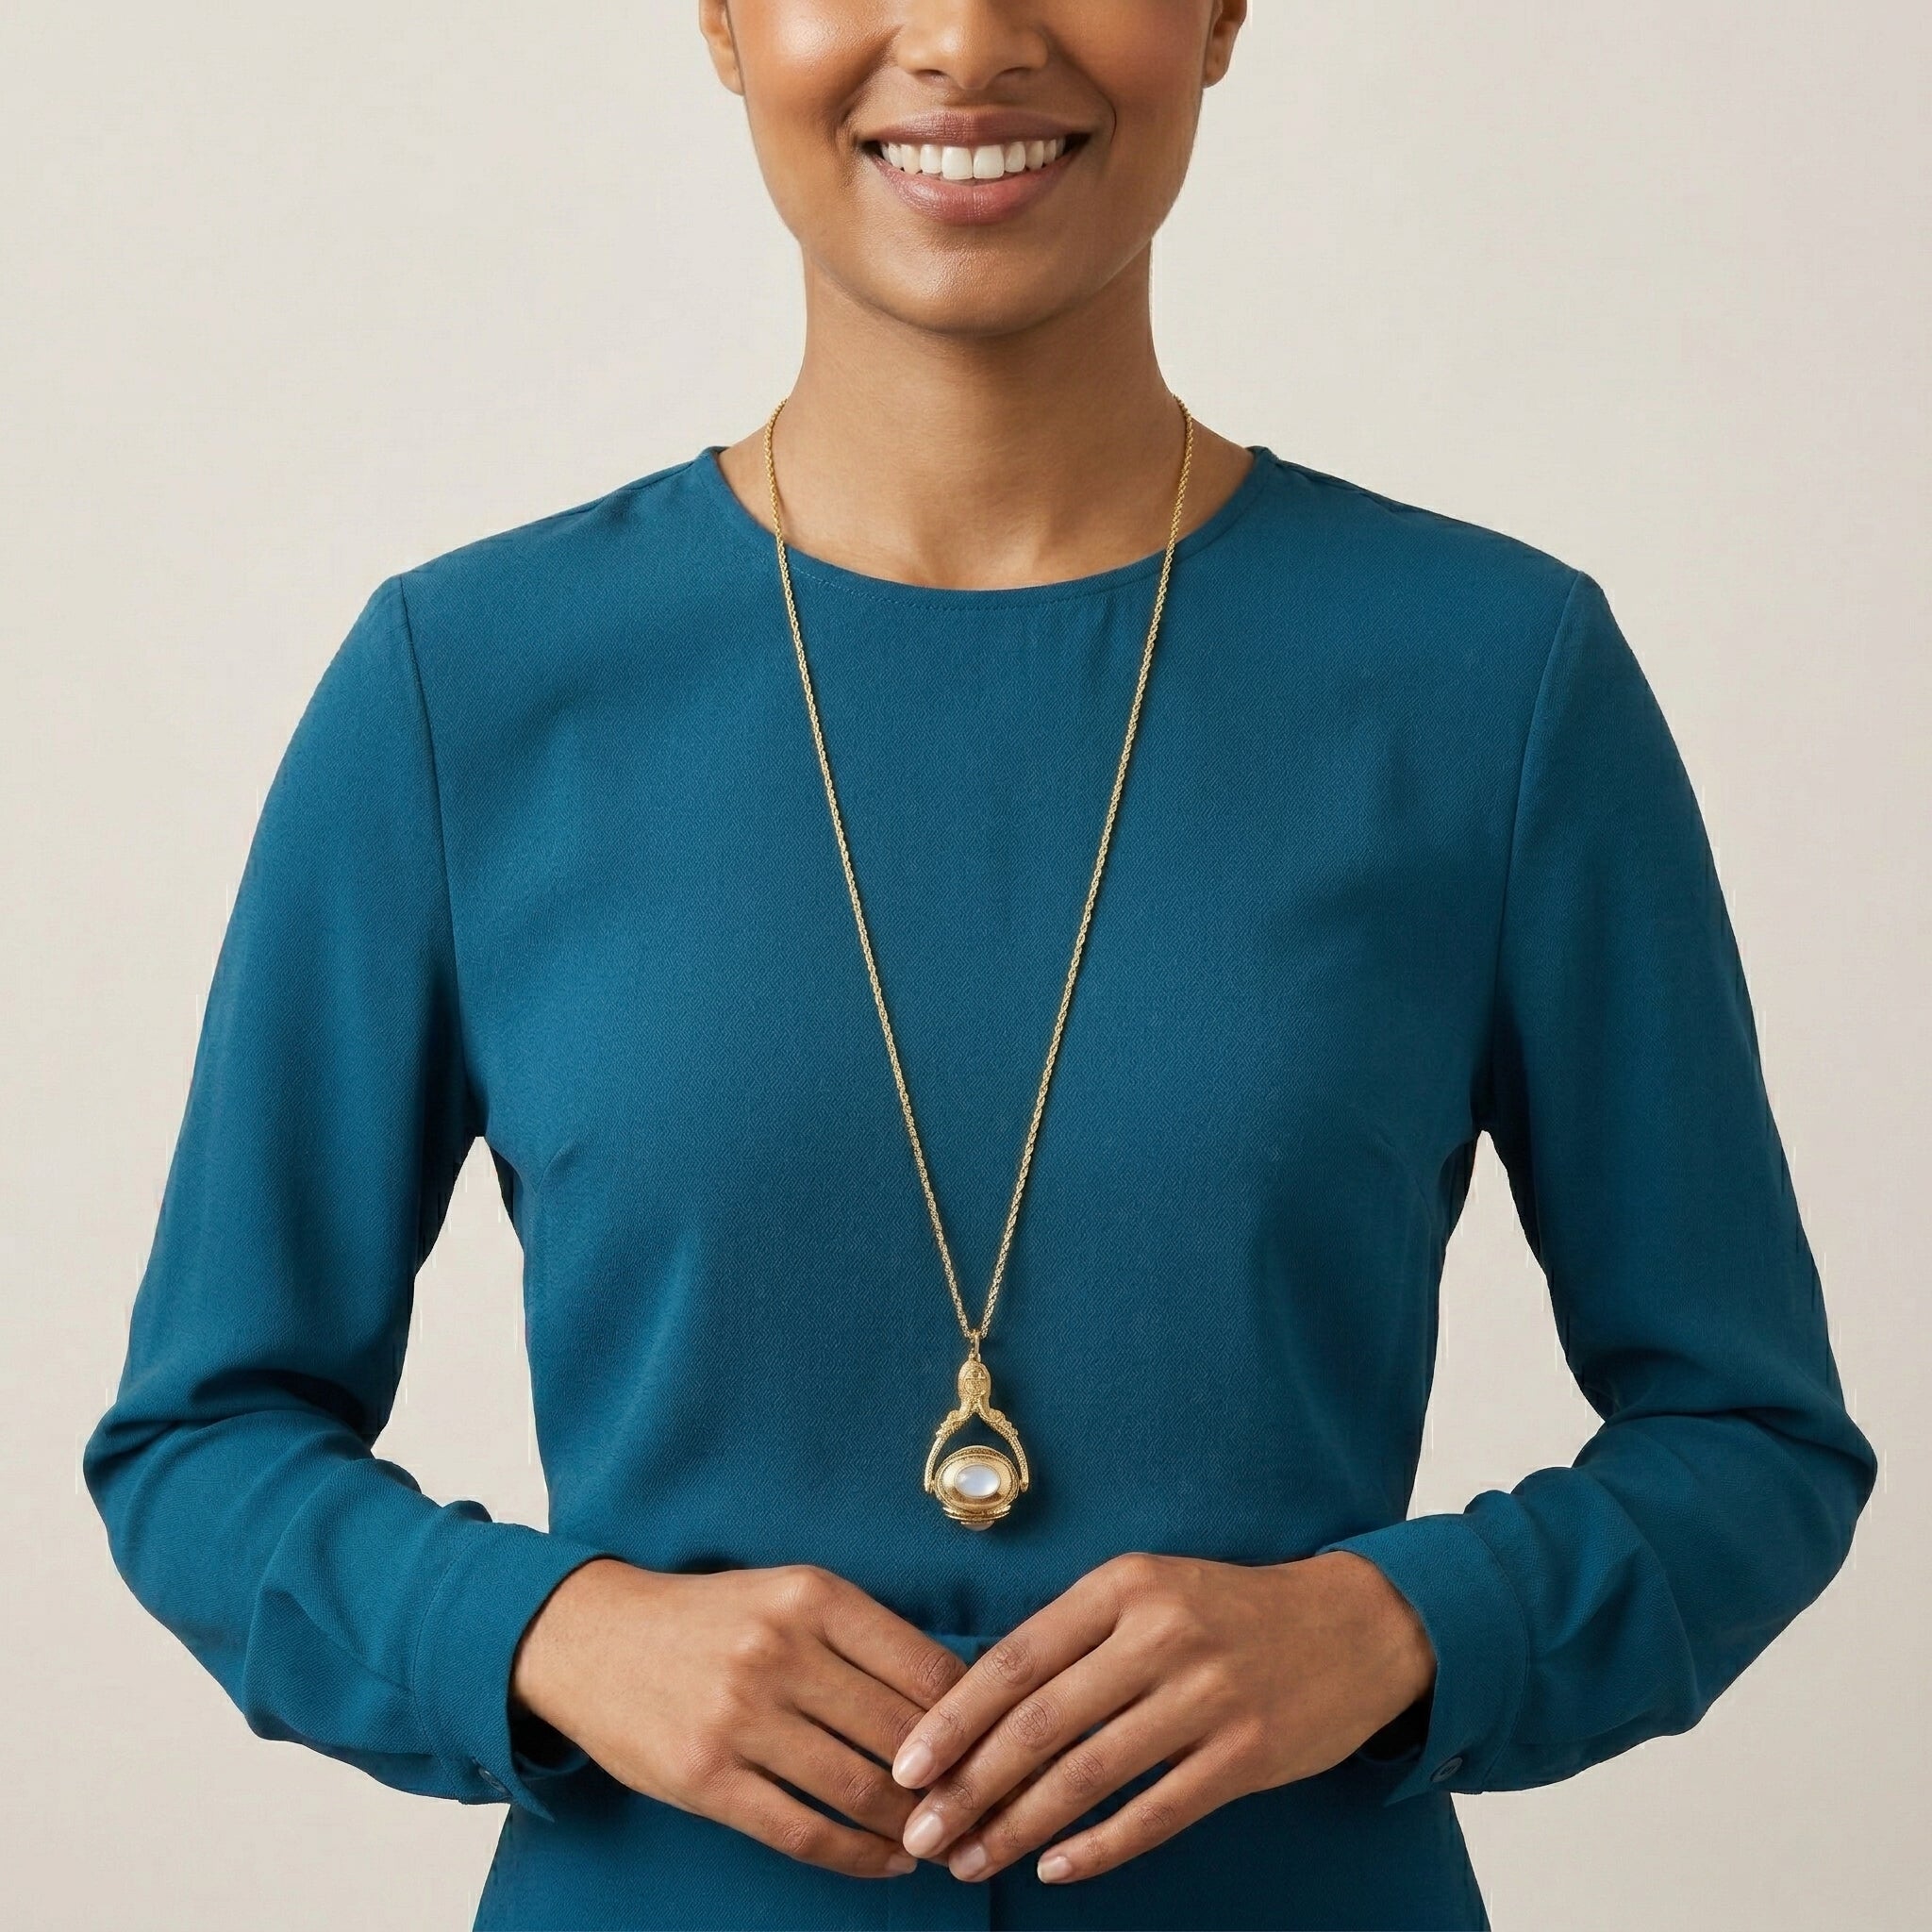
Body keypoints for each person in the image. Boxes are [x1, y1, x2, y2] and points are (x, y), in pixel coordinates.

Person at [82, 5, 1877, 1928]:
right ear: (721, 20)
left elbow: (1749, 1441)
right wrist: (553, 1632)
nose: (962, 38)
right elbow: (201, 1442)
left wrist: (1384, 1625)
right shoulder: (466, 690)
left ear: (1216, 17)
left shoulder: (1495, 684)